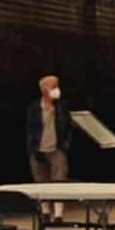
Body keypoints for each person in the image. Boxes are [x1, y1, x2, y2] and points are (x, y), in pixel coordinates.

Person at [25, 75, 73, 220]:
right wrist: (33, 149)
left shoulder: (62, 106)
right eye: (53, 86)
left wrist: (64, 146)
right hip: (38, 150)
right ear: (44, 89)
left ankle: (58, 214)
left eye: (57, 86)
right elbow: (29, 130)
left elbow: (69, 127)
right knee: (41, 182)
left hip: (56, 149)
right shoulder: (34, 108)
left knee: (59, 182)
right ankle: (45, 211)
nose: (57, 89)